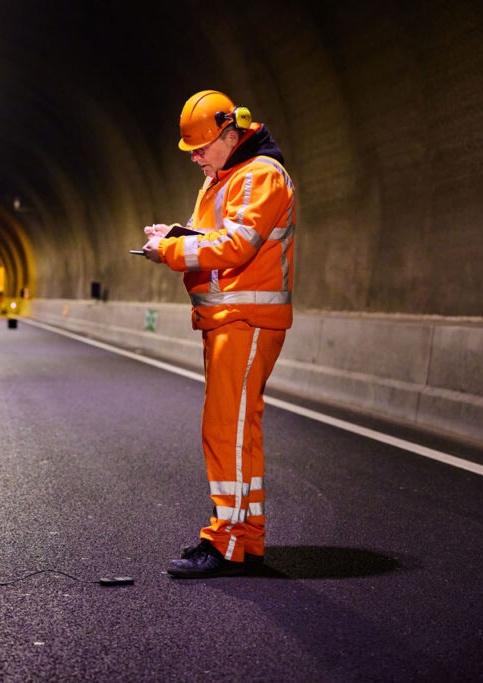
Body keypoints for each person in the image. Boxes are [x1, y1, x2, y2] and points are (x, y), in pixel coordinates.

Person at [142, 90, 296, 578]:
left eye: (202, 148)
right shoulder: (221, 178)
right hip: (225, 320)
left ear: (231, 135)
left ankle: (225, 541)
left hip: (246, 321)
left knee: (224, 432)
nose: (195, 158)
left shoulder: (260, 176)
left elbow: (235, 246)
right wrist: (175, 235)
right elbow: (209, 238)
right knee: (238, 434)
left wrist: (168, 251)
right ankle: (246, 540)